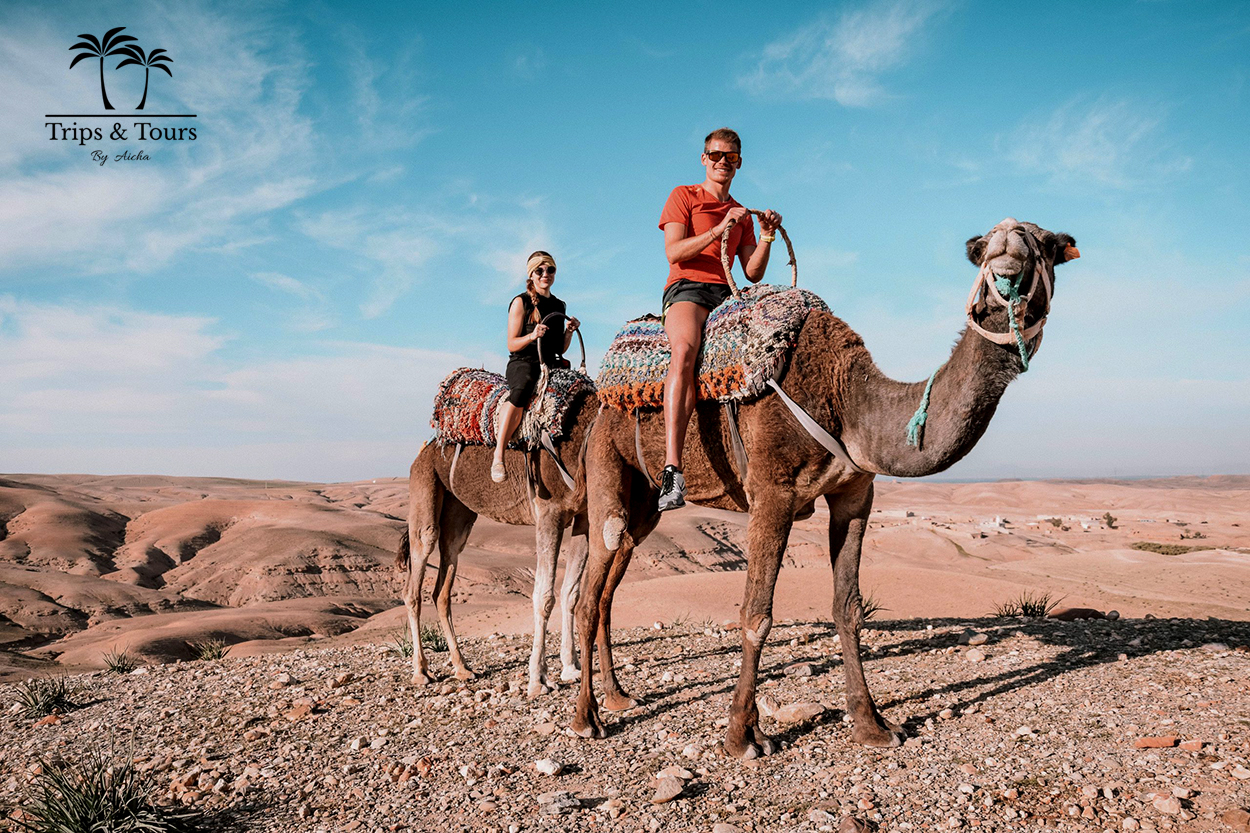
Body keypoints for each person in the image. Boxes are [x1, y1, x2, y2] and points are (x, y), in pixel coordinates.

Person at [656, 127, 782, 510]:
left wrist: (765, 236)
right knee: (684, 352)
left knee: (772, 350)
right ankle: (672, 470)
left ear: (739, 163)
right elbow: (674, 253)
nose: (722, 162)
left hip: (728, 292)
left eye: (730, 157)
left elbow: (753, 273)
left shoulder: (741, 212)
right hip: (688, 288)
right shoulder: (683, 196)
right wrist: (717, 230)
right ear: (703, 158)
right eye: (715, 155)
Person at [492, 251, 580, 483]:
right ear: (531, 274)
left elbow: (560, 347)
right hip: (524, 362)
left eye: (550, 269)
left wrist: (569, 331)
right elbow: (511, 343)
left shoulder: (559, 305)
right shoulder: (521, 302)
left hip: (550, 363)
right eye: (539, 270)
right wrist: (532, 336)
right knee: (522, 390)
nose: (545, 275)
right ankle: (498, 454)